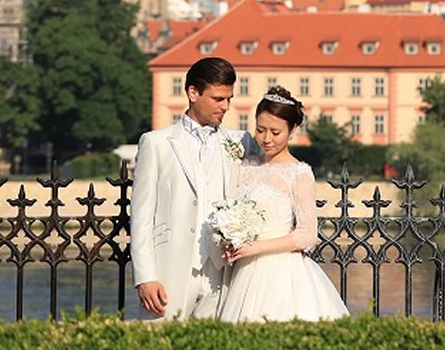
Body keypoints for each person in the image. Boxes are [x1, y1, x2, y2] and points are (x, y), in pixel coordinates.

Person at [130, 57, 257, 320]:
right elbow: (141, 216)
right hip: (169, 268)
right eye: (218, 99)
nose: (226, 107)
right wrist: (145, 277)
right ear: (192, 93)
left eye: (229, 99)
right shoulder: (157, 143)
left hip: (222, 273)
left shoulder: (241, 141)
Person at [216, 86, 350, 322]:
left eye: (275, 132)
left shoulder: (298, 173)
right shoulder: (246, 166)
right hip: (244, 269)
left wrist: (254, 248)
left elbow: (308, 235)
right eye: (260, 130)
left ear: (292, 131)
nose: (266, 139)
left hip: (281, 271)